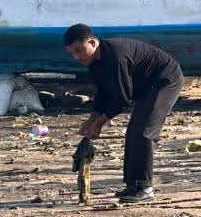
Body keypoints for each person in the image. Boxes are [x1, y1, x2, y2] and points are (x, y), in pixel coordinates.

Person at [63, 25, 183, 204]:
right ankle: (132, 186)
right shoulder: (94, 64)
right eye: (72, 53)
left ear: (93, 42)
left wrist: (99, 124)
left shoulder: (116, 56)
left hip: (165, 81)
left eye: (80, 50)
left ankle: (145, 187)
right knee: (133, 132)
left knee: (143, 132)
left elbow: (122, 99)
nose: (77, 57)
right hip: (144, 86)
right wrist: (91, 121)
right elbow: (104, 94)